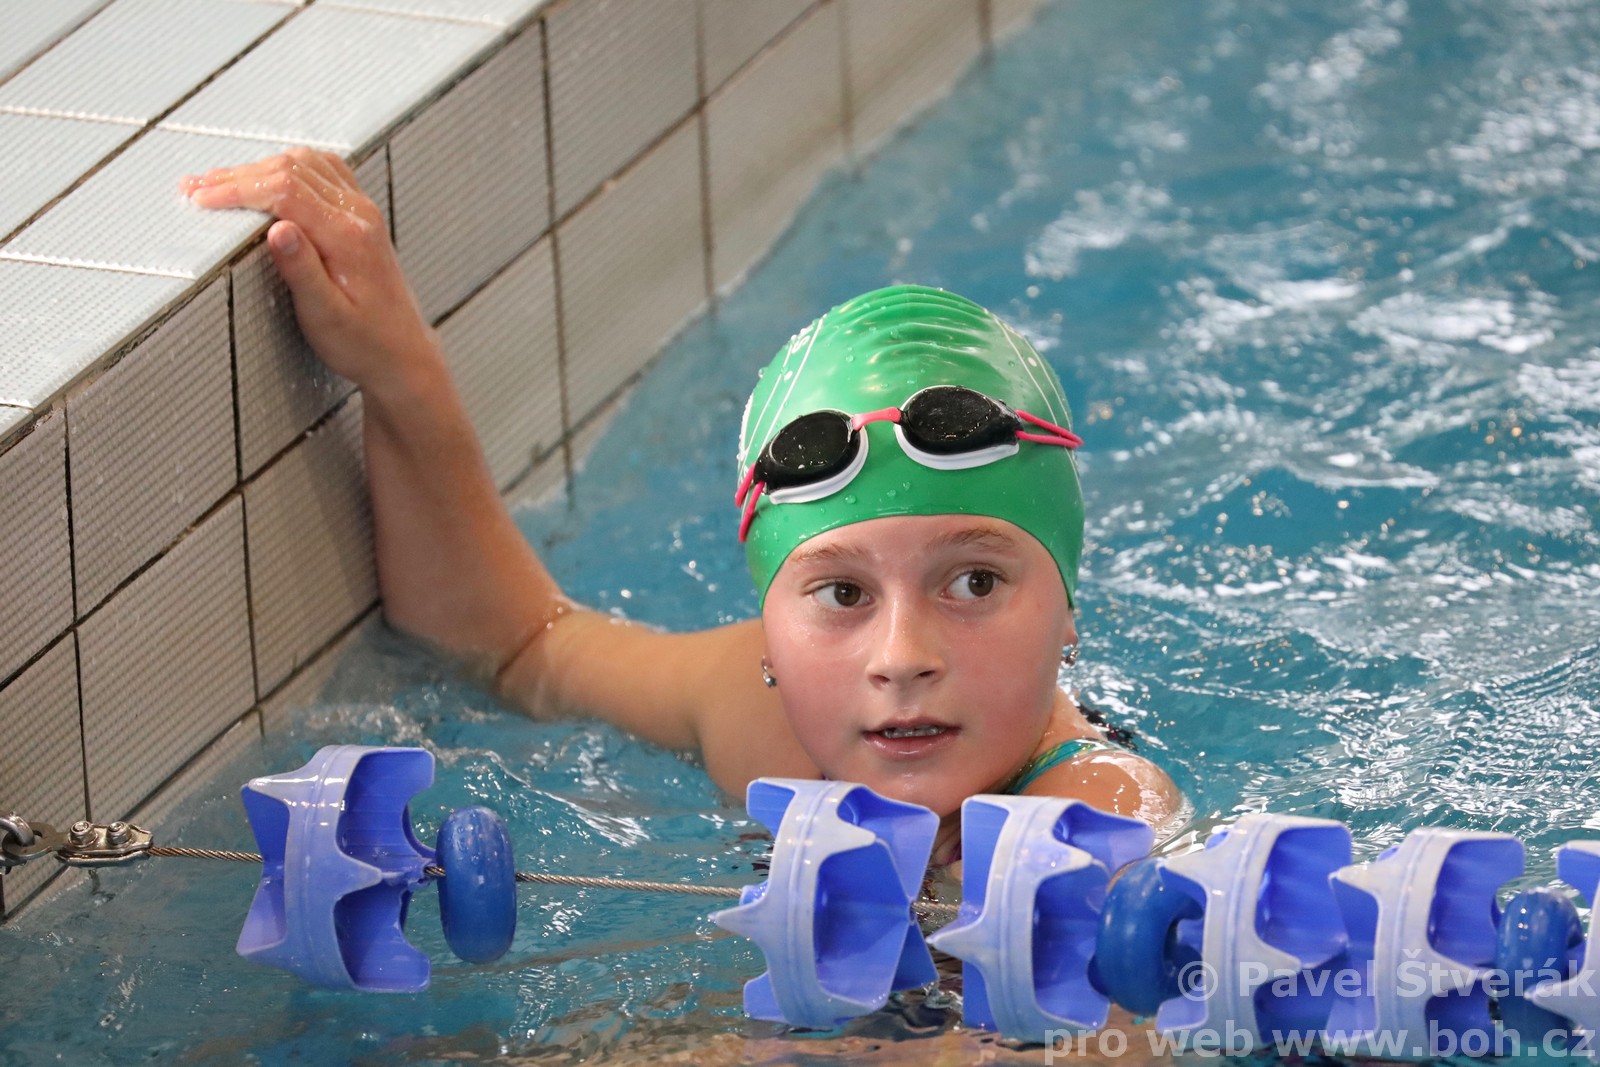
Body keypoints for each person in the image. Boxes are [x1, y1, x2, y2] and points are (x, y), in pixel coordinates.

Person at [182, 149, 1182, 863]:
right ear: (770, 629)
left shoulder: (1101, 824)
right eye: (841, 593)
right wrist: (397, 368)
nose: (900, 654)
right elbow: (518, 645)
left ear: (1067, 614)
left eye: (974, 581)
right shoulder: (761, 711)